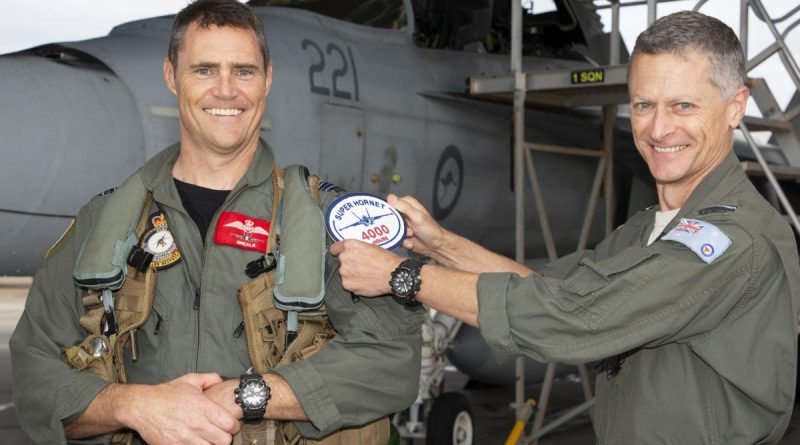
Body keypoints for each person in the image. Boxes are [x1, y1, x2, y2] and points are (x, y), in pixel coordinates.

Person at [332, 10, 800, 444]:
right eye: (642, 105)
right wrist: (442, 245)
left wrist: (402, 277)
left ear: (736, 106)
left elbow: (575, 321)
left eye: (682, 106)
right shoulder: (649, 230)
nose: (658, 130)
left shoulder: (730, 243)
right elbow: (552, 291)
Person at [10, 1, 422, 444]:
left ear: (267, 79)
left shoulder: (323, 221)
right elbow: (36, 374)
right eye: (204, 70)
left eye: (243, 71)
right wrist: (132, 405)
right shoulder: (106, 222)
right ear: (171, 76)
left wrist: (254, 396)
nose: (225, 91)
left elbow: (391, 361)